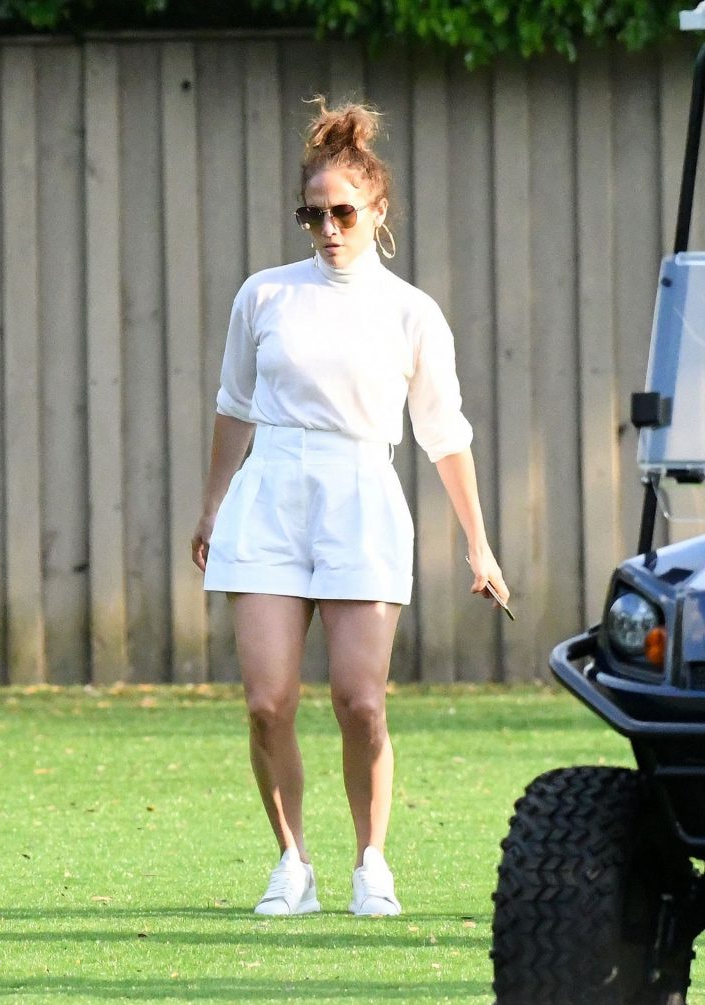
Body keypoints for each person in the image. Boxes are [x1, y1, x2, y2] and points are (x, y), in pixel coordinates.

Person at [191, 96, 509, 917]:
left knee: (360, 701)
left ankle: (372, 860)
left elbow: (444, 432)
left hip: (362, 496)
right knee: (267, 701)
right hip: (269, 494)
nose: (328, 229)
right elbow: (234, 405)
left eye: (343, 212)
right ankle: (292, 863)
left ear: (377, 210)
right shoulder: (263, 295)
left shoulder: (412, 312)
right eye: (313, 214)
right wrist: (213, 505)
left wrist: (479, 544)